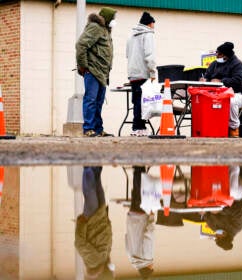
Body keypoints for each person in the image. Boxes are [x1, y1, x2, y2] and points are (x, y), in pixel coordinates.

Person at [76, 7, 116, 137]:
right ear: (107, 18)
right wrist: (83, 66)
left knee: (98, 102)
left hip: (102, 73)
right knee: (91, 100)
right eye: (113, 18)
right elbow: (81, 45)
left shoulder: (105, 30)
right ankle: (88, 129)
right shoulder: (95, 27)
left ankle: (98, 129)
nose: (114, 21)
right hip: (93, 70)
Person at [200, 42, 242, 137]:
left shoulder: (238, 65)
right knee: (205, 100)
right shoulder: (214, 64)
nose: (217, 56)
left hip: (237, 93)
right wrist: (205, 80)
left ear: (226, 55)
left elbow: (238, 80)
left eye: (219, 54)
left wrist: (221, 81)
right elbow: (207, 76)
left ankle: (233, 128)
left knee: (231, 101)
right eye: (217, 53)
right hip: (217, 94)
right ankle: (212, 128)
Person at [75, 166, 115, 279]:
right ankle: (96, 165)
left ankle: (87, 166)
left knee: (90, 191)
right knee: (97, 184)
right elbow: (108, 235)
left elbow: (80, 244)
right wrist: (107, 219)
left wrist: (82, 223)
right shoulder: (105, 257)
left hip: (91, 218)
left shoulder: (94, 262)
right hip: (101, 215)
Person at [126, 12, 156, 137]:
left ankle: (138, 126)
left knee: (136, 101)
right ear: (150, 23)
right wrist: (153, 72)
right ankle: (138, 127)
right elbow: (149, 55)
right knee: (142, 101)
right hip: (143, 72)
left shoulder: (131, 36)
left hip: (132, 72)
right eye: (153, 24)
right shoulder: (148, 34)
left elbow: (127, 54)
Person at [125, 166, 155, 279]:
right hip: (132, 218)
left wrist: (152, 217)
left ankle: (139, 167)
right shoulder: (131, 258)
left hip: (142, 217)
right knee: (136, 192)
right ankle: (138, 170)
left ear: (148, 268)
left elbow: (149, 236)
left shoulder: (147, 258)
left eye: (152, 268)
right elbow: (126, 237)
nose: (153, 265)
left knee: (141, 191)